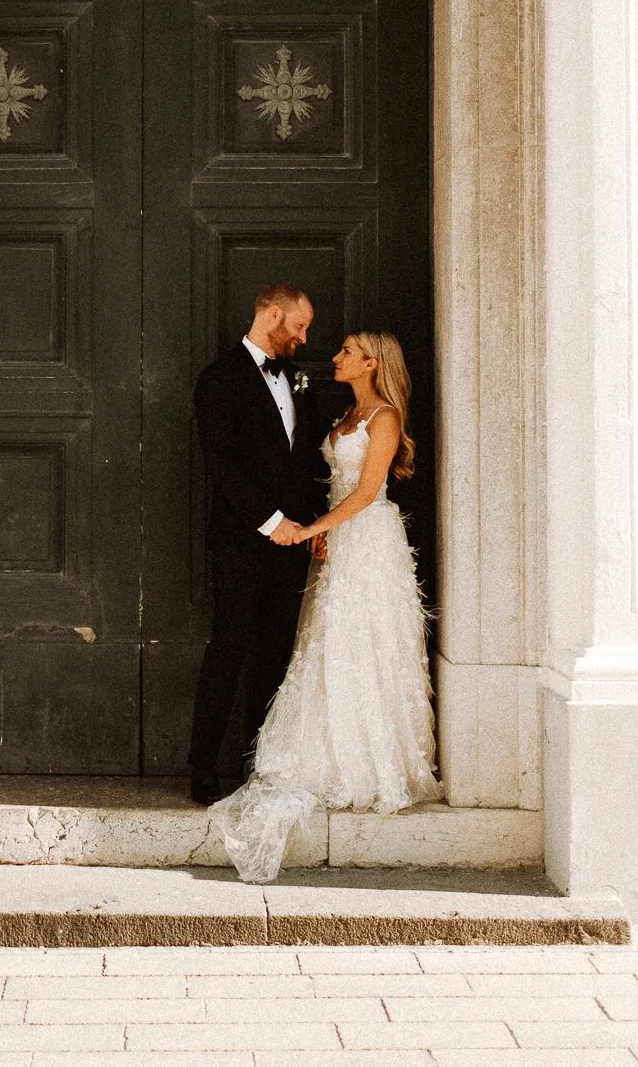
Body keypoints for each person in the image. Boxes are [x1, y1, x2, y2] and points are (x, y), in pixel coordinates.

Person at [209, 330, 441, 882]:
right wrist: (320, 528)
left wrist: (313, 528)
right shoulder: (342, 415)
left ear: (370, 363)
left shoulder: (383, 417)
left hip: (368, 540)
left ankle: (369, 761)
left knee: (364, 642)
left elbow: (366, 493)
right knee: (327, 641)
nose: (334, 357)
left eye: (346, 352)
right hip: (337, 540)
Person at [188, 283, 329, 806]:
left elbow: (308, 458)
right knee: (228, 650)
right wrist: (273, 522)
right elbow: (222, 467)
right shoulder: (219, 380)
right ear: (273, 314)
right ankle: (203, 768)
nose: (304, 337)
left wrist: (312, 525)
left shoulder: (298, 377)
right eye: (299, 325)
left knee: (275, 655)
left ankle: (258, 763)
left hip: (294, 545)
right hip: (242, 544)